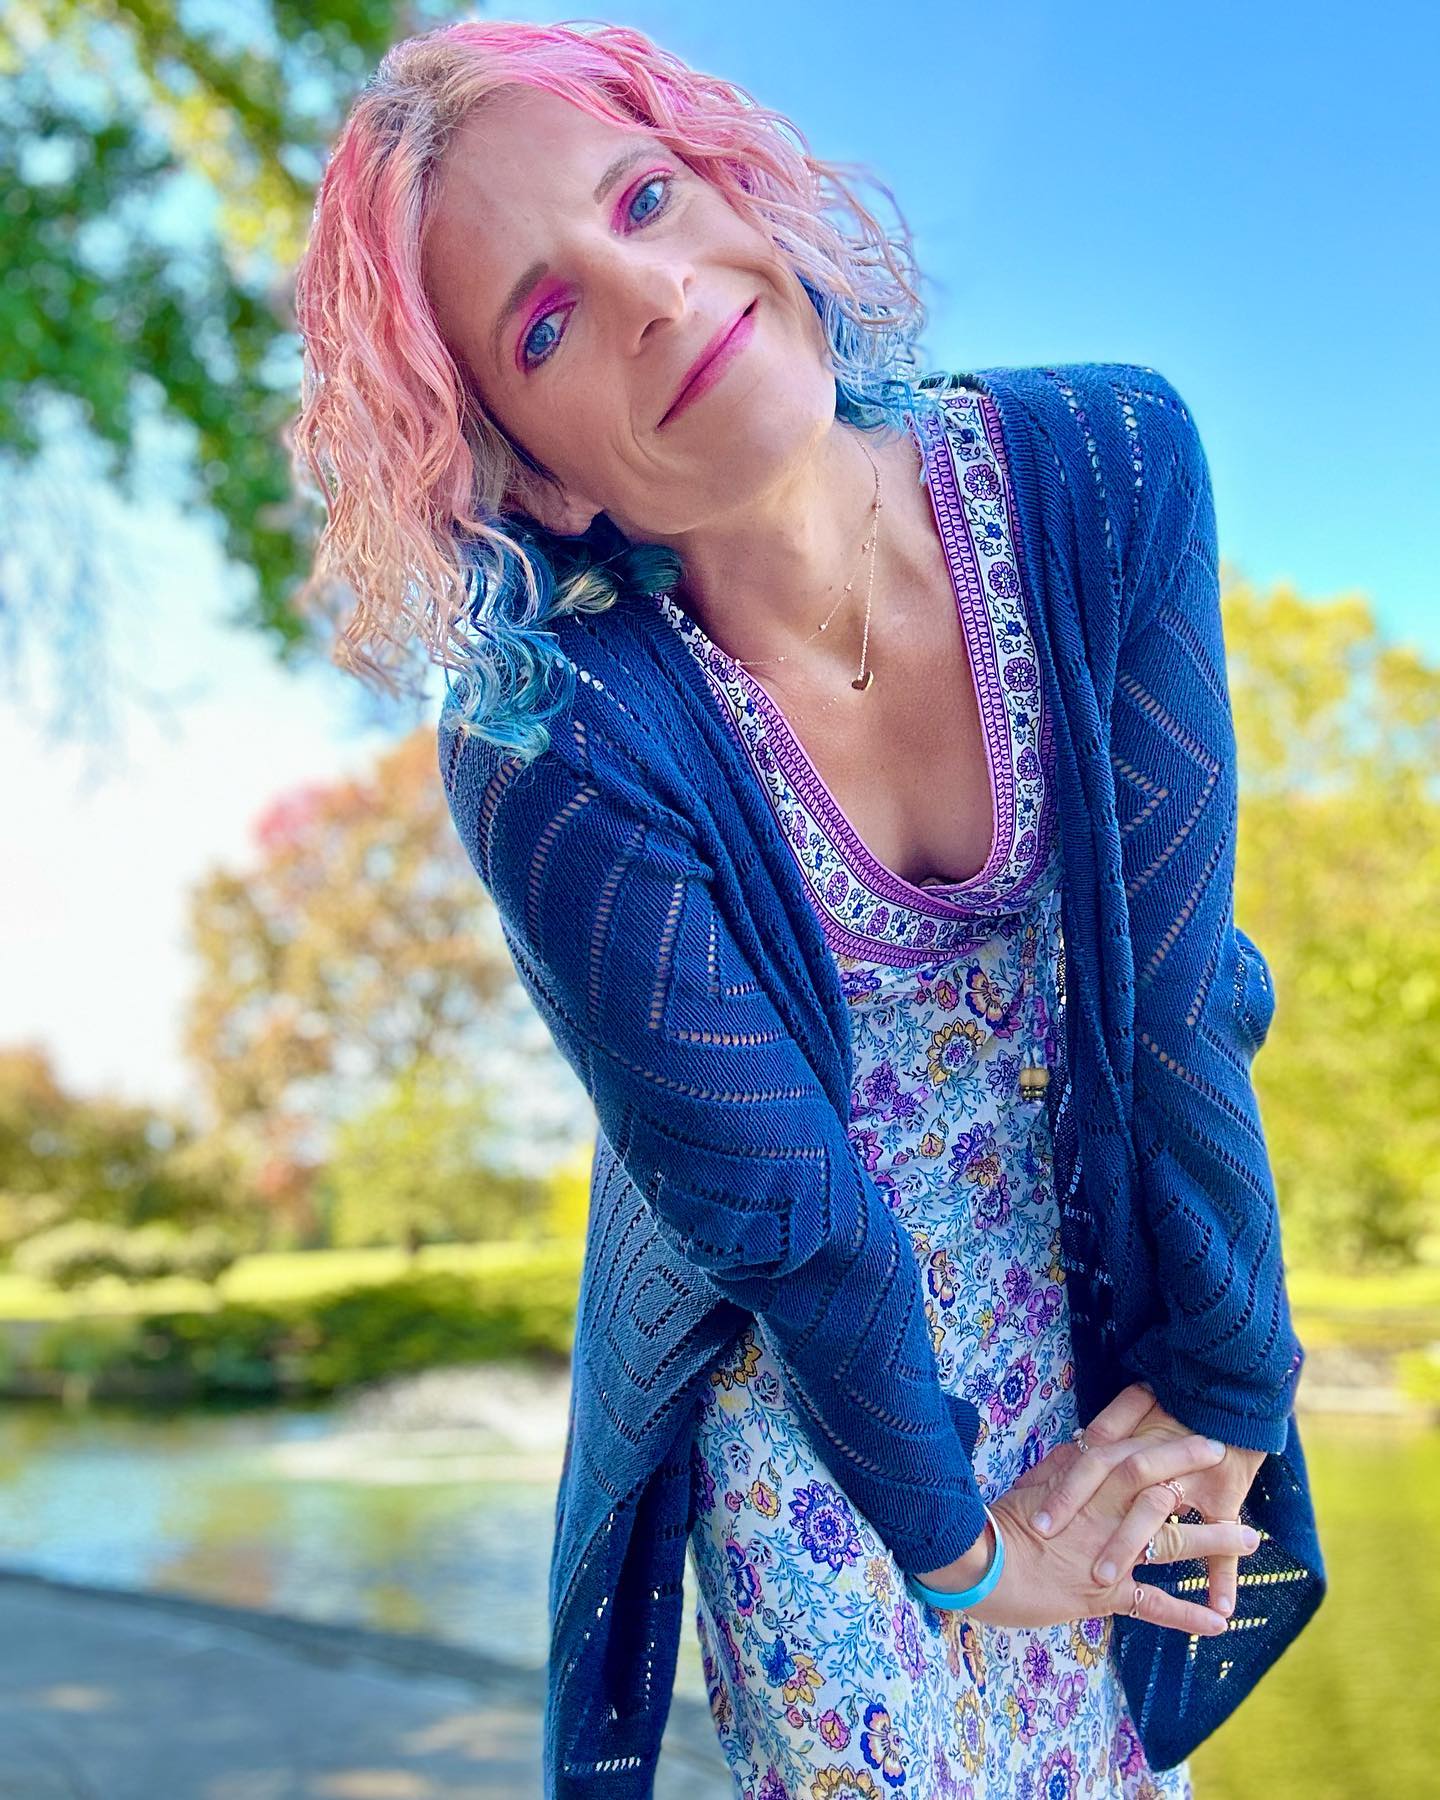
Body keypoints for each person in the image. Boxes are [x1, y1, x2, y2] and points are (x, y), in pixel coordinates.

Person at [289, 19, 1326, 1798]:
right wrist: (958, 1548)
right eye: (543, 324)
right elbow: (779, 1212)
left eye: (645, 198)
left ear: (739, 196)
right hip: (821, 1413)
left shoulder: (1112, 463)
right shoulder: (555, 751)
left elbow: (1175, 999)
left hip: (1098, 1298)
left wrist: (1231, 1379)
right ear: (535, 474)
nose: (650, 292)